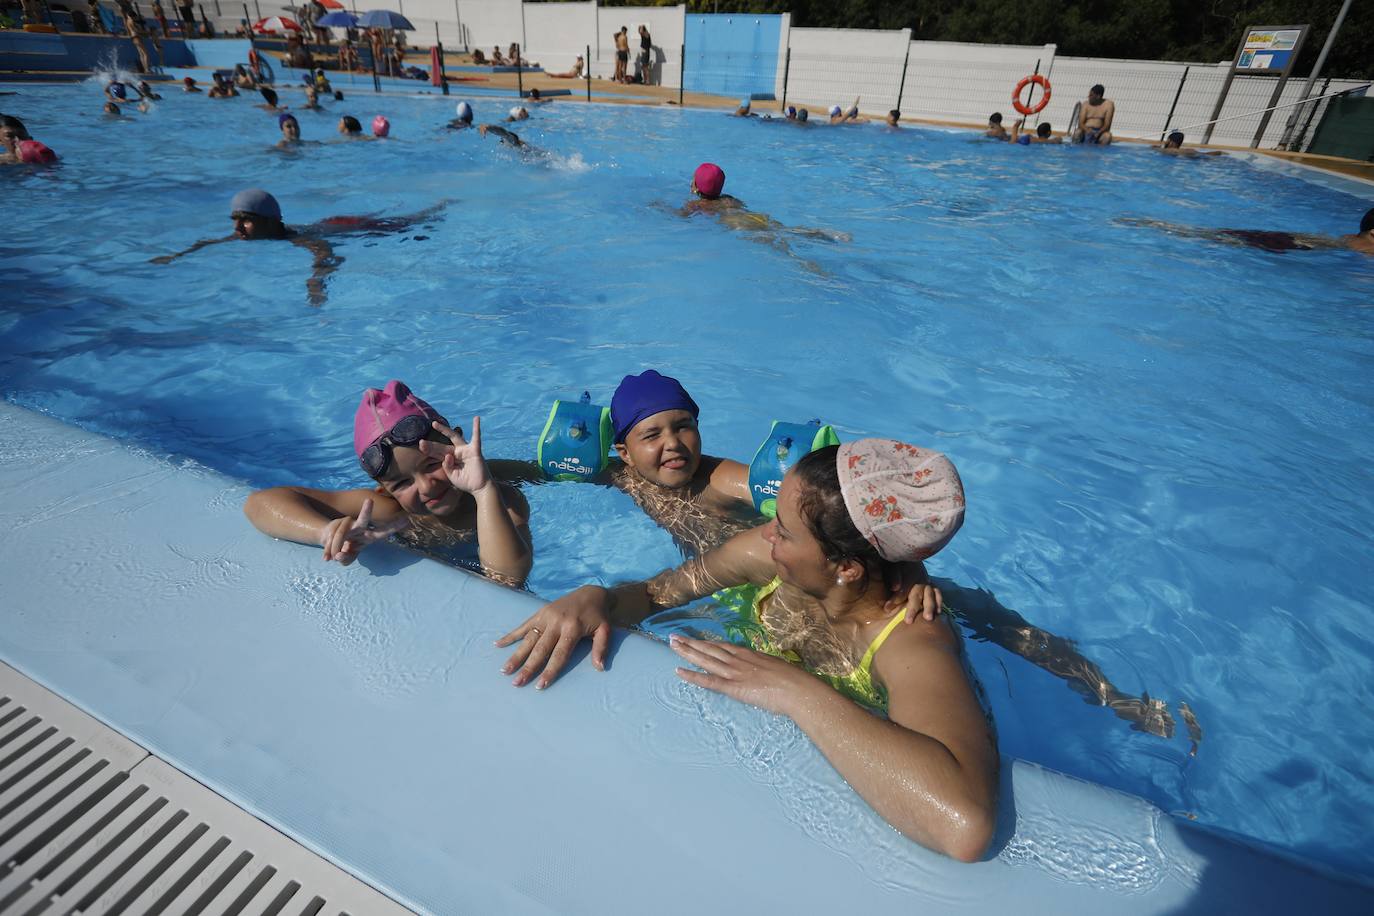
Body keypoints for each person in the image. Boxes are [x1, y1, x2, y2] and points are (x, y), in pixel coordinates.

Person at [496, 440, 997, 860]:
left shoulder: (910, 641)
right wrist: (599, 598)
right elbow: (657, 593)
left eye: (784, 529)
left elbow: (964, 827)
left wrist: (797, 693)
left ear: (846, 567)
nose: (766, 533)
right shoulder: (764, 555)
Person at [243, 380, 533, 586]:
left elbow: (507, 578)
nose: (426, 487)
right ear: (385, 489)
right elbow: (259, 504)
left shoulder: (504, 501)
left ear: (458, 446)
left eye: (431, 465)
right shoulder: (391, 512)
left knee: (511, 473)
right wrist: (326, 531)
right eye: (401, 483)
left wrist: (483, 491)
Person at [149, 189, 449, 305]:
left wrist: (316, 282)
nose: (236, 229)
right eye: (234, 221)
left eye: (245, 221)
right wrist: (175, 256)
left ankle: (439, 206)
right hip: (329, 222)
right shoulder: (249, 234)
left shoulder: (292, 237)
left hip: (347, 228)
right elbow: (209, 241)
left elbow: (326, 252)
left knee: (406, 224)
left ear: (269, 221)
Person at [682, 163, 850, 249]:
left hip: (741, 225)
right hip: (757, 217)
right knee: (786, 231)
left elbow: (681, 216)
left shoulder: (697, 205)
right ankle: (822, 233)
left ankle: (816, 272)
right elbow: (742, 206)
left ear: (695, 186)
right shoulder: (728, 198)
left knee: (784, 250)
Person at [1117, 208, 1374, 255]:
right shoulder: (1365, 249)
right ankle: (1154, 225)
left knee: (1208, 234)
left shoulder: (1349, 239)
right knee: (1209, 236)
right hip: (1287, 244)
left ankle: (1152, 224)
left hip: (1284, 237)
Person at [1155, 130, 1222, 157]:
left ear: (1171, 142)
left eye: (1167, 140)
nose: (1166, 141)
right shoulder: (1188, 150)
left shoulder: (1166, 150)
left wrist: (1155, 147)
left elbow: (1156, 149)